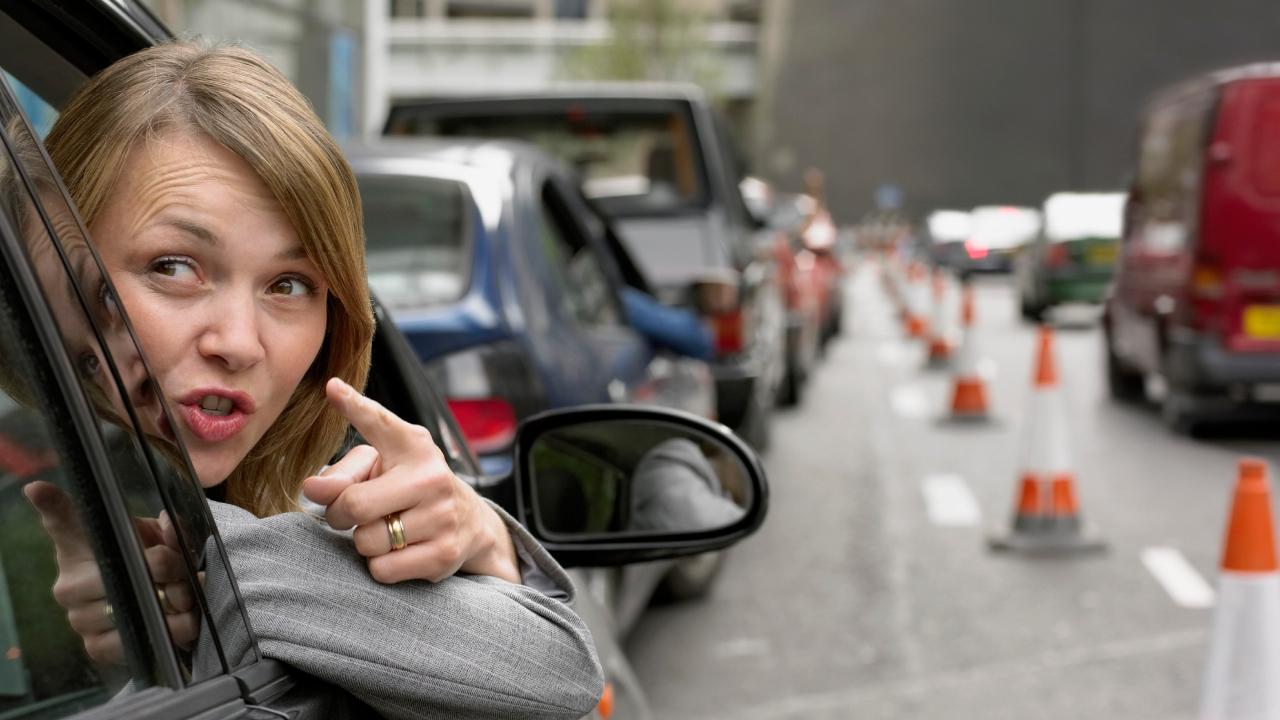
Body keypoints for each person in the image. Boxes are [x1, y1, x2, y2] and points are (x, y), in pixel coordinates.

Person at [17, 42, 603, 718]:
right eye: (175, 267)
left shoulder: (302, 497)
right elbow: (565, 672)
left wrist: (478, 536)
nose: (239, 343)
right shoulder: (243, 557)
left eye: (289, 284)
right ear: (56, 264)